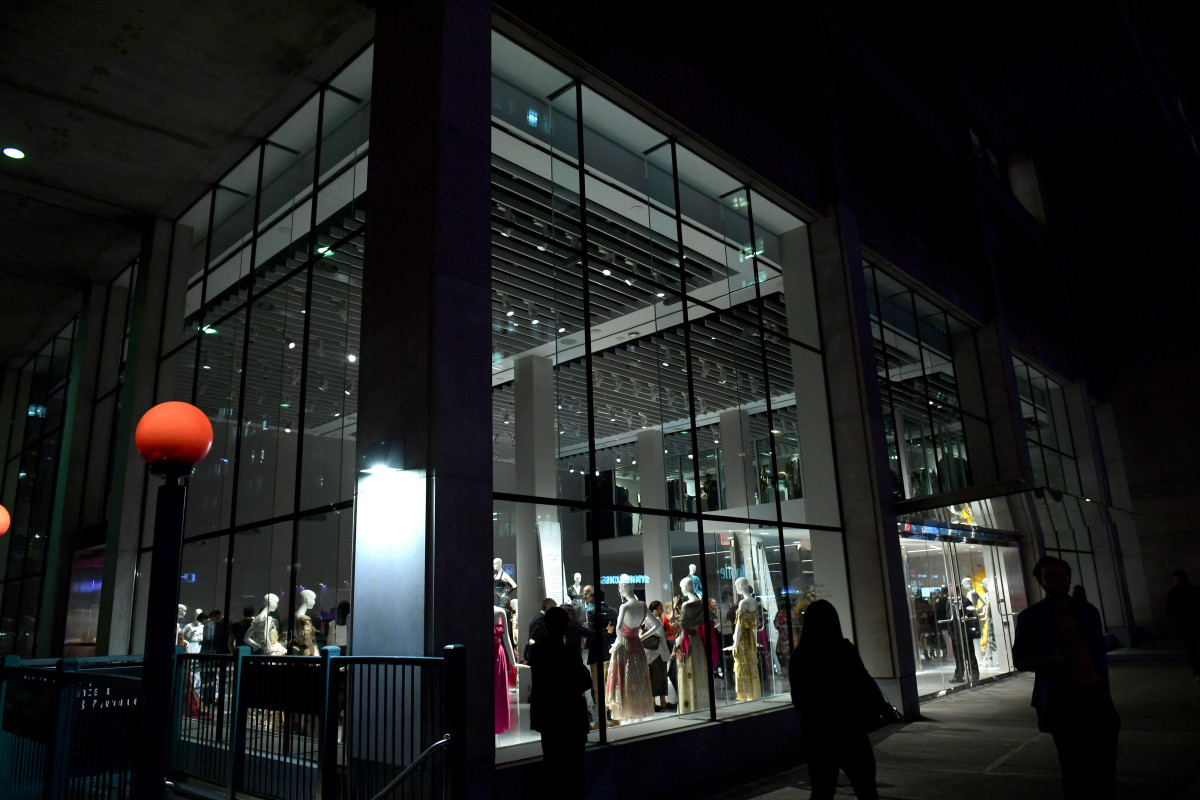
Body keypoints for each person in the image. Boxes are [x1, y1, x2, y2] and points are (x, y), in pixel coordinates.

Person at [1013, 555, 1119, 800]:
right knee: (1075, 770)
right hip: (1063, 700)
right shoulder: (1031, 617)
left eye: (1060, 576)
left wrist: (1105, 692)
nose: (1056, 581)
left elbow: (1099, 657)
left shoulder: (1088, 612)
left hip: (1095, 697)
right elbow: (1020, 660)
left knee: (1105, 768)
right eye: (1049, 577)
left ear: (1069, 578)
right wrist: (1052, 659)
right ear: (1041, 582)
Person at [788, 600, 881, 800]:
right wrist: (883, 707)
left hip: (817, 730)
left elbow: (797, 697)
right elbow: (865, 682)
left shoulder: (800, 655)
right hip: (849, 726)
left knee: (822, 790)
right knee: (865, 787)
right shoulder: (843, 650)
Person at [529, 606, 592, 800]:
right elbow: (585, 681)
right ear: (565, 626)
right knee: (573, 771)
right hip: (570, 716)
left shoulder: (538, 652)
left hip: (549, 716)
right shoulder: (568, 652)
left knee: (552, 765)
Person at [1167, 569, 1200, 678]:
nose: (1176, 582)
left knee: (1192, 648)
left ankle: (1196, 670)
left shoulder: (1192, 591)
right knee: (1191, 648)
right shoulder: (1175, 592)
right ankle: (1196, 670)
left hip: (1192, 623)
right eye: (1175, 580)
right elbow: (1170, 608)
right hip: (1186, 624)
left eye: (1178, 580)